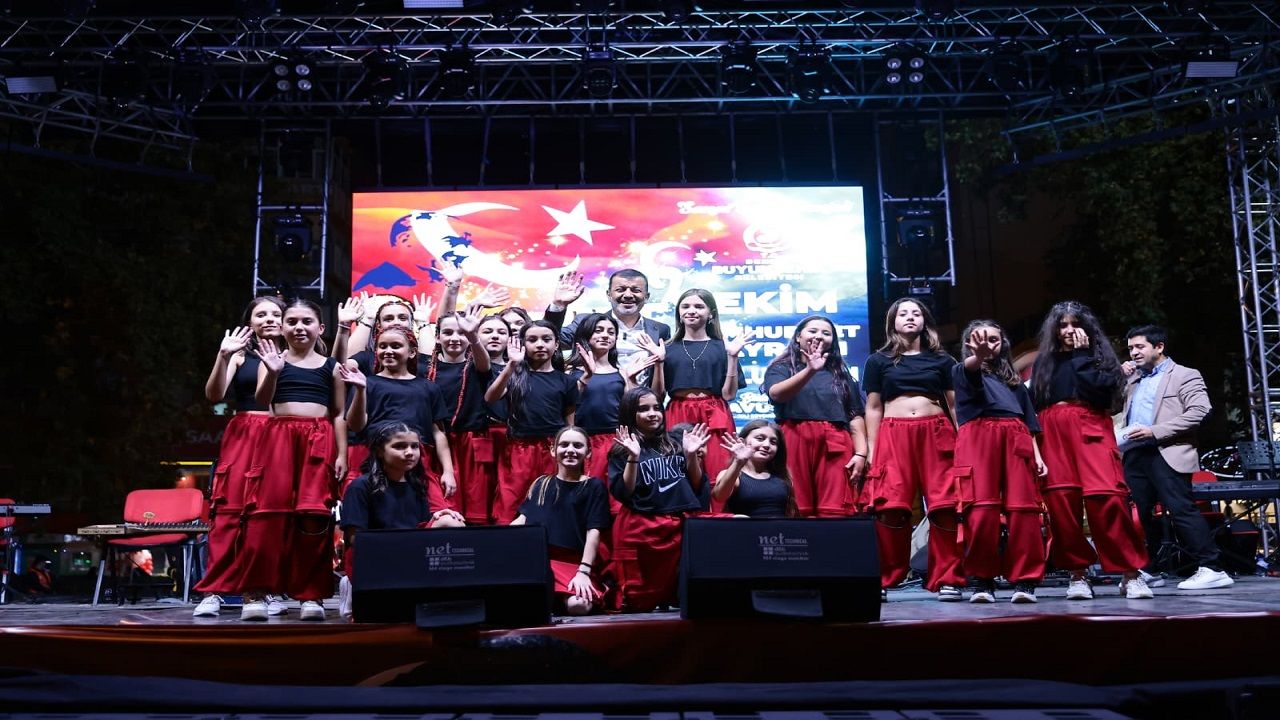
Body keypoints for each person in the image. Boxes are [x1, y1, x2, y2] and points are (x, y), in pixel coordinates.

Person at [239, 299, 364, 622]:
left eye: (306, 321)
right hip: (278, 439)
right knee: (266, 516)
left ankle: (311, 595)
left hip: (318, 440)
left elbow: (339, 413)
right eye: (292, 321)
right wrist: (272, 372)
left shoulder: (331, 366)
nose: (299, 327)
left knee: (314, 518)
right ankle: (256, 592)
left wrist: (342, 453)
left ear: (320, 328)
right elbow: (263, 400)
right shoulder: (272, 360)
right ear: (282, 328)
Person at [1030, 301, 1151, 600]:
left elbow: (1101, 394)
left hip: (1091, 426)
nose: (1069, 330)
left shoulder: (1101, 359)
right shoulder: (1045, 362)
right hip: (1052, 430)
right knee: (1061, 502)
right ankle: (1077, 574)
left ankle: (1130, 573)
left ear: (1087, 328)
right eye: (1063, 325)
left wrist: (1081, 356)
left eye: (1076, 324)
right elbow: (1035, 402)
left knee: (1108, 498)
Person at [861, 298, 964, 601]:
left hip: (937, 433)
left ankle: (948, 578)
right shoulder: (878, 361)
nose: (910, 317)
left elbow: (955, 405)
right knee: (890, 508)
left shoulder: (943, 360)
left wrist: (964, 440)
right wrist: (872, 448)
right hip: (894, 435)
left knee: (945, 507)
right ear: (892, 321)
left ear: (924, 321)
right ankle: (885, 578)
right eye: (903, 313)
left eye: (916, 313)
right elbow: (873, 407)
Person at [193, 295, 285, 618]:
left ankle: (268, 589)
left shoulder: (296, 355)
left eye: (276, 314)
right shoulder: (239, 356)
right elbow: (214, 394)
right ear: (250, 322)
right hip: (244, 432)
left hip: (281, 435)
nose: (269, 319)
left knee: (271, 515)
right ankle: (214, 591)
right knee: (228, 511)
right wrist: (223, 355)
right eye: (261, 314)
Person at [1122, 325, 1232, 590]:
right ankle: (1150, 569)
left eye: (1140, 346)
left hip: (1167, 450)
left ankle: (1212, 568)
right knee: (1142, 515)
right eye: (1130, 348)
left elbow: (1200, 411)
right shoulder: (1133, 379)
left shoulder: (1184, 374)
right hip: (1135, 453)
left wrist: (1155, 431)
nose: (1134, 353)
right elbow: (1115, 408)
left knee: (1181, 509)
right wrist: (1118, 377)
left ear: (1159, 347)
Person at [953, 321, 1048, 603]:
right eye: (980, 339)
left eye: (993, 339)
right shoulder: (961, 370)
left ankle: (1025, 581)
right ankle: (982, 582)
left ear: (1002, 343)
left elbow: (1028, 421)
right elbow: (971, 371)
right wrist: (978, 356)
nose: (988, 344)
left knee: (1024, 510)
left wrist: (1038, 456)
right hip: (978, 437)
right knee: (980, 511)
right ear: (969, 343)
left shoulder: (1014, 381)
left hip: (1016, 436)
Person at [339, 422, 467, 619]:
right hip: (376, 557)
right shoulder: (360, 487)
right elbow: (357, 540)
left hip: (409, 554)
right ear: (380, 451)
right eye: (399, 446)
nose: (410, 452)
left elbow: (419, 530)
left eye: (414, 446)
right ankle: (351, 586)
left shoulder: (418, 486)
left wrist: (438, 519)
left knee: (451, 521)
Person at [610, 387, 711, 611]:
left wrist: (691, 456)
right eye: (643, 409)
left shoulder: (675, 442)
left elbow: (696, 485)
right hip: (643, 528)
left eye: (657, 408)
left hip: (679, 524)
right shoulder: (621, 449)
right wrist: (633, 457)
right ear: (630, 414)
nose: (653, 414)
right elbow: (625, 492)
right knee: (640, 601)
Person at [343, 325, 458, 514]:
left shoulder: (428, 388)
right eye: (382, 346)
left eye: (395, 346)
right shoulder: (367, 383)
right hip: (377, 462)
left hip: (418, 463)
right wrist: (361, 390)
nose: (388, 351)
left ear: (412, 352)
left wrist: (448, 471)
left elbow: (438, 433)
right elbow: (356, 426)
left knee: (436, 515)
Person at [762, 315, 868, 517]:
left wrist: (861, 453)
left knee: (835, 509)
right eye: (813, 331)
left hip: (835, 442)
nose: (819, 336)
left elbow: (855, 416)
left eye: (826, 333)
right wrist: (810, 370)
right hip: (793, 439)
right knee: (796, 506)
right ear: (798, 337)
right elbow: (776, 394)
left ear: (832, 341)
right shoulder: (781, 368)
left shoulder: (841, 374)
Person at [658, 288, 750, 502]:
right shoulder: (667, 348)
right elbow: (658, 394)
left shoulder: (724, 347)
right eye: (686, 306)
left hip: (714, 411)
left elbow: (729, 394)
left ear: (711, 314)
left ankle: (717, 515)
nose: (692, 311)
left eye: (699, 306)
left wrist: (733, 357)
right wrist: (659, 362)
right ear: (679, 313)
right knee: (677, 464)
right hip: (679, 410)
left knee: (718, 466)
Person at [485, 321, 580, 524]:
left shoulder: (566, 381)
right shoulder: (513, 375)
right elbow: (490, 397)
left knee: (551, 504)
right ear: (523, 344)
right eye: (532, 339)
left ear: (556, 344)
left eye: (546, 339)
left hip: (552, 450)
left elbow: (570, 423)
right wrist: (511, 365)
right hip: (519, 450)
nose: (540, 344)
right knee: (512, 502)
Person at [511, 426, 612, 615]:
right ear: (553, 450)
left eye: (577, 445)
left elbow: (594, 532)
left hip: (574, 565)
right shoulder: (541, 483)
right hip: (541, 563)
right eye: (564, 445)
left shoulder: (594, 486)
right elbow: (522, 521)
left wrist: (584, 572)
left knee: (578, 605)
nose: (570, 450)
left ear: (588, 452)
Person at [566, 312, 659, 502]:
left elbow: (631, 409)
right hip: (582, 440)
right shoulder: (570, 372)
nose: (605, 335)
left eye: (610, 332)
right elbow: (566, 406)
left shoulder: (621, 373)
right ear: (586, 335)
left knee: (612, 493)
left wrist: (632, 379)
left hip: (614, 440)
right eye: (598, 330)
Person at [425, 306, 495, 524]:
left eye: (461, 333)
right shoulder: (424, 368)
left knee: (477, 509)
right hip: (437, 443)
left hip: (472, 443)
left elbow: (484, 365)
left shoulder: (477, 365)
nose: (455, 338)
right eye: (448, 333)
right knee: (445, 507)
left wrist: (473, 336)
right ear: (437, 338)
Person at [547, 269, 672, 376]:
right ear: (608, 294)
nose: (628, 295)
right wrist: (558, 305)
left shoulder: (661, 330)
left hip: (643, 397)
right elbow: (551, 340)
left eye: (636, 290)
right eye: (620, 289)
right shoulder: (586, 322)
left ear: (647, 296)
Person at [712, 420, 798, 518]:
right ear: (743, 442)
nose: (767, 445)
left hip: (781, 528)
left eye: (773, 442)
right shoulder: (732, 475)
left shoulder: (782, 476)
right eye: (760, 439)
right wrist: (738, 463)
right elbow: (719, 497)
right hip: (746, 528)